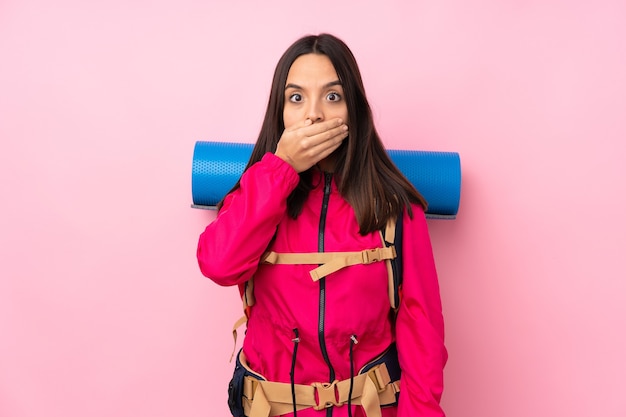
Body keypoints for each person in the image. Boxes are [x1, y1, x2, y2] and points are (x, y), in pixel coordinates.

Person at [197, 33, 447, 417]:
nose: (313, 114)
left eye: (333, 97)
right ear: (279, 113)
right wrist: (280, 170)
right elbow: (218, 264)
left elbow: (423, 335)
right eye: (296, 98)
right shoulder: (255, 194)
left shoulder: (397, 209)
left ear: (353, 111)